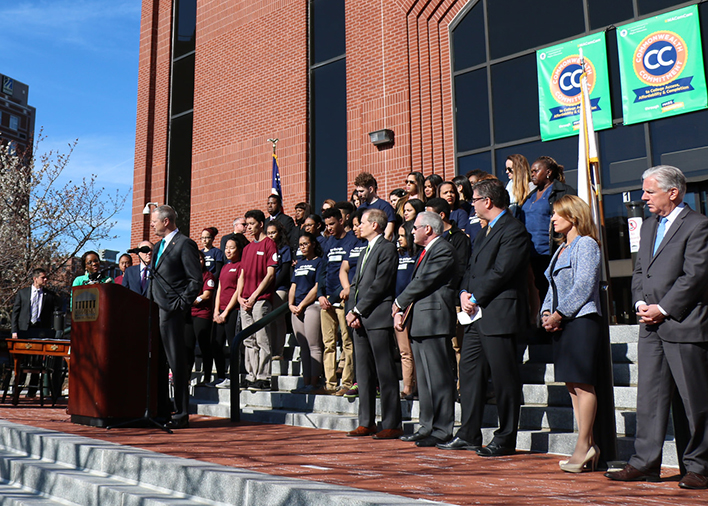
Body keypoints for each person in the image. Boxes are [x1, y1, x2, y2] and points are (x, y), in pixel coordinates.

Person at [606, 166, 708, 490]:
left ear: (673, 192)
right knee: (649, 398)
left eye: (650, 191)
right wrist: (640, 304)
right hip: (649, 326)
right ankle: (644, 462)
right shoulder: (649, 227)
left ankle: (699, 467)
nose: (643, 197)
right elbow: (640, 272)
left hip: (683, 324)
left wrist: (663, 308)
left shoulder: (698, 225)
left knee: (695, 400)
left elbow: (695, 276)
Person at [444, 179, 529, 456]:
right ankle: (469, 433)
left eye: (475, 200)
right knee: (469, 374)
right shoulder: (483, 232)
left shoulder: (513, 230)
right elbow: (470, 268)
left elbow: (503, 271)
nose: (472, 205)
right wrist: (464, 292)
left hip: (499, 314)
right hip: (476, 316)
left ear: (488, 202)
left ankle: (505, 437)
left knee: (504, 378)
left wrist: (475, 295)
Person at [540, 195, 602, 473]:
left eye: (557, 214)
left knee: (583, 384)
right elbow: (552, 287)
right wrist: (545, 314)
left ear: (573, 216)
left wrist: (559, 314)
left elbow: (584, 285)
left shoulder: (586, 244)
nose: (552, 219)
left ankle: (584, 445)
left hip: (581, 321)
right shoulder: (560, 249)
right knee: (571, 385)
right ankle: (587, 444)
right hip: (562, 323)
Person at [393, 211, 457, 447]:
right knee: (425, 379)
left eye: (415, 227)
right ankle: (427, 425)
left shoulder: (443, 249)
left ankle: (442, 428)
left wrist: (399, 302)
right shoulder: (425, 252)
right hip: (421, 321)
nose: (412, 232)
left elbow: (424, 282)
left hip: (434, 322)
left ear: (428, 229)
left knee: (438, 377)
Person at [346, 209, 402, 439]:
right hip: (359, 319)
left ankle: (391, 423)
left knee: (384, 371)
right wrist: (352, 311)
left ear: (376, 225)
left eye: (362, 223)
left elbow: (381, 284)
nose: (358, 227)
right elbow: (356, 284)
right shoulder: (364, 250)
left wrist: (359, 309)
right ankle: (366, 421)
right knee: (364, 373)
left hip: (377, 317)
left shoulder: (387, 248)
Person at [149, 205, 202, 429]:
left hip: (173, 313)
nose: (152, 225)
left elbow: (195, 280)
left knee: (176, 363)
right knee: (157, 363)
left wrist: (180, 304)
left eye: (154, 221)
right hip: (154, 311)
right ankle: (161, 410)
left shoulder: (184, 244)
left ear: (167, 221)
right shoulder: (157, 247)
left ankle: (181, 413)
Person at [521, 156, 574, 320]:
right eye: (531, 172)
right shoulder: (530, 196)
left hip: (552, 251)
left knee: (555, 289)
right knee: (540, 290)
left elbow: (573, 218)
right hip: (531, 254)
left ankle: (558, 323)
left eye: (536, 171)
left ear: (549, 173)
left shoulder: (563, 192)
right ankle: (544, 324)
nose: (532, 175)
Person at [318, 207, 358, 395]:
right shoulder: (327, 242)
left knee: (347, 341)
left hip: (343, 298)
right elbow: (322, 270)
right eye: (327, 225)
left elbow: (350, 270)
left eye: (332, 224)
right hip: (326, 300)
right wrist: (320, 294)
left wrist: (338, 294)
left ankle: (347, 383)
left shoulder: (353, 240)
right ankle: (330, 384)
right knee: (328, 344)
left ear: (341, 220)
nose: (330, 228)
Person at [237, 209, 278, 391]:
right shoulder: (246, 248)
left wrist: (254, 296)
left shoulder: (269, 244)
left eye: (251, 224)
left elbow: (270, 275)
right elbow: (242, 275)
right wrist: (239, 296)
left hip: (260, 299)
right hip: (245, 300)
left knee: (262, 339)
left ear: (261, 224)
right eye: (246, 224)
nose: (248, 228)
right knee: (248, 341)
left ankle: (263, 377)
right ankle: (251, 375)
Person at [12, 268, 61, 398]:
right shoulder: (23, 293)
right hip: (24, 330)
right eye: (43, 277)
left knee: (37, 361)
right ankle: (17, 386)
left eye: (46, 278)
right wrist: (14, 331)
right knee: (22, 360)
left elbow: (57, 311)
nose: (46, 280)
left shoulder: (49, 295)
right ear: (35, 278)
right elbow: (15, 313)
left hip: (41, 331)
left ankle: (32, 391)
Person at [210, 234, 249, 388]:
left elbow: (237, 291)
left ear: (239, 249)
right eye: (226, 248)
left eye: (232, 248)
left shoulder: (241, 266)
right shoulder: (225, 267)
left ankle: (235, 376)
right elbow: (219, 289)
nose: (228, 251)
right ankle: (220, 376)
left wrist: (225, 313)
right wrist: (216, 311)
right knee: (216, 344)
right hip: (219, 310)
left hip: (232, 311)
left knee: (233, 344)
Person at [289, 233, 325, 394]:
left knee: (314, 345)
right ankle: (305, 382)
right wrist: (291, 304)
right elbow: (293, 286)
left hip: (311, 306)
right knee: (303, 347)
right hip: (296, 308)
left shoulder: (319, 262)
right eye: (300, 244)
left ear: (313, 244)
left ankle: (315, 382)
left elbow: (317, 286)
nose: (302, 247)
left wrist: (302, 304)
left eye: (305, 244)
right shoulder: (299, 264)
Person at [394, 221, 418, 399]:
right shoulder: (398, 256)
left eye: (403, 235)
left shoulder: (417, 256)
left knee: (416, 350)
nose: (399, 239)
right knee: (405, 351)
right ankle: (408, 387)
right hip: (399, 308)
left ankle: (417, 386)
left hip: (415, 306)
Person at [186, 251, 215, 384]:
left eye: (201, 259)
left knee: (204, 346)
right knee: (187, 347)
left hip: (202, 315)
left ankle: (207, 376)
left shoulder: (208, 276)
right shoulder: (187, 275)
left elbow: (207, 294)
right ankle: (185, 377)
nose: (198, 262)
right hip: (188, 315)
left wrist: (194, 300)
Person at [266, 220, 293, 360]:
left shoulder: (285, 249)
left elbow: (285, 271)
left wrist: (273, 285)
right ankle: (269, 350)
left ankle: (279, 351)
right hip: (266, 289)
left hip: (279, 288)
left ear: (279, 233)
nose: (271, 236)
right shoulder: (267, 249)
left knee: (278, 320)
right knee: (268, 321)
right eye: (268, 233)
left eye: (273, 233)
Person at [354, 171, 397, 240]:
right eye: (358, 191)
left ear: (371, 189)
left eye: (362, 191)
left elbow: (388, 234)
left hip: (380, 246)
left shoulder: (385, 207)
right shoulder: (361, 208)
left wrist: (381, 248)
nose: (359, 194)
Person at [505, 154, 534, 218]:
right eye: (506, 169)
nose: (507, 172)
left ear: (518, 168)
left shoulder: (532, 187)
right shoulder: (508, 187)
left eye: (509, 169)